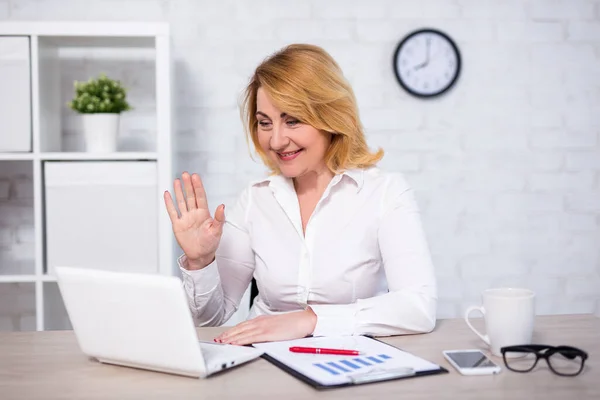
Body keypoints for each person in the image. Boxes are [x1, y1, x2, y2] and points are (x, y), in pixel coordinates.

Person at [163, 44, 437, 346]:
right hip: (264, 365)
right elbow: (210, 319)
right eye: (264, 123)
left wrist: (309, 321)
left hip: (351, 364)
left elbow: (418, 307)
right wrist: (200, 261)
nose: (277, 140)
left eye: (292, 119)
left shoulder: (385, 193)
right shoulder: (255, 200)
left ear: (330, 117)